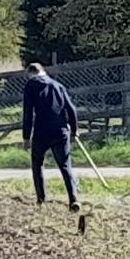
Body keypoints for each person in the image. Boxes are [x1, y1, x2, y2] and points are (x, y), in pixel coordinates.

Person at [19, 62, 80, 212]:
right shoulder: (58, 85)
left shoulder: (31, 86)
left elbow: (28, 113)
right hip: (60, 130)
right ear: (43, 72)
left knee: (37, 163)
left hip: (42, 131)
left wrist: (26, 136)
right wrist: (74, 129)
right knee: (65, 165)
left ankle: (41, 199)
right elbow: (71, 108)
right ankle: (73, 199)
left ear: (30, 73)